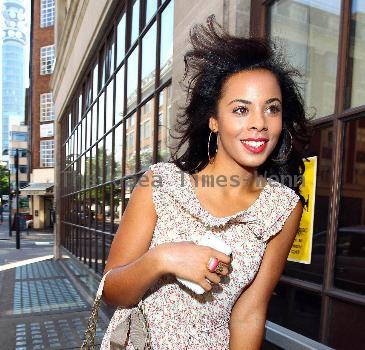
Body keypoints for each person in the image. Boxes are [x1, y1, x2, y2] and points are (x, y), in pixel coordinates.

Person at [100, 15, 311, 350]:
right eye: (241, 110)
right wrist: (163, 258)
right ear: (214, 120)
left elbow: (250, 313)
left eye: (272, 109)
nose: (259, 123)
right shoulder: (161, 184)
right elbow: (112, 291)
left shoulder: (283, 208)